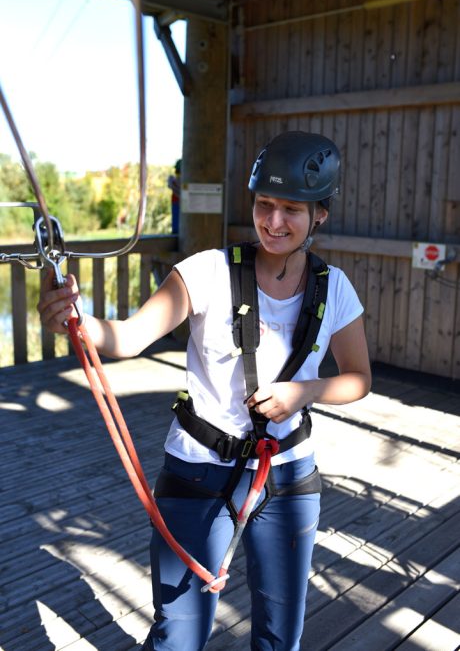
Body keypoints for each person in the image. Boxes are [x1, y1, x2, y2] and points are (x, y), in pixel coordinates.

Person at [38, 131, 371, 651]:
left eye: (292, 209)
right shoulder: (207, 272)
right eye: (264, 204)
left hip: (287, 478)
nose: (274, 222)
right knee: (179, 636)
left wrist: (305, 392)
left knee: (282, 635)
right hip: (199, 473)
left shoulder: (335, 288)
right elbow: (127, 338)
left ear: (319, 215)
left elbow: (358, 378)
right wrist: (77, 319)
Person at [168, 159, 181, 234]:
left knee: (176, 218)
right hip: (176, 201)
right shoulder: (174, 179)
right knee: (176, 217)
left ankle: (175, 231)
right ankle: (175, 231)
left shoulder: (174, 179)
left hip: (177, 201)